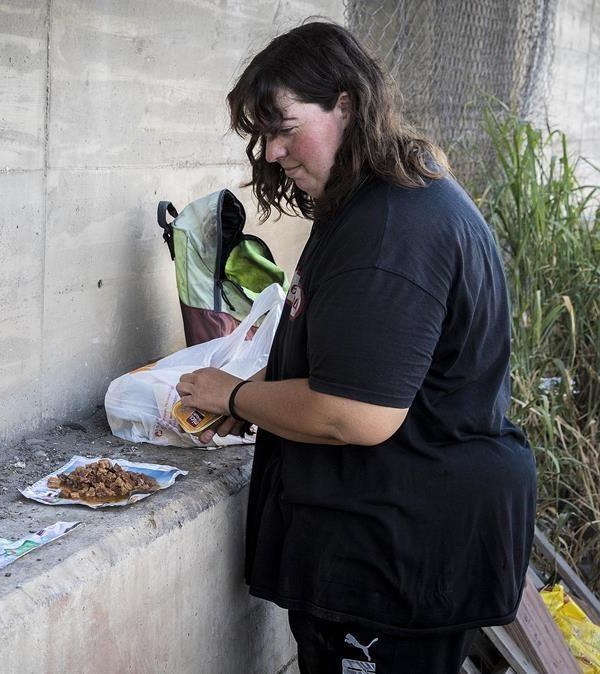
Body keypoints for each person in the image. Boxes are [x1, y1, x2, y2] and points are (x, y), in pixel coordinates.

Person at [174, 21, 537, 673]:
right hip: (395, 543)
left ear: (347, 103)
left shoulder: (389, 230)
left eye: (285, 127)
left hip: (393, 560)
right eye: (263, 136)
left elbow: (355, 413)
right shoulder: (387, 202)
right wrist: (259, 402)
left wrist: (232, 393)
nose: (274, 151)